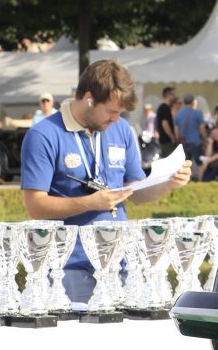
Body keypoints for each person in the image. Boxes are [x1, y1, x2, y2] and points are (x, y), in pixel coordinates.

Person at [19, 59, 192, 305]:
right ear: (89, 99)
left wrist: (167, 183)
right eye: (112, 111)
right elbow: (35, 206)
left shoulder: (122, 130)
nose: (116, 119)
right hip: (69, 267)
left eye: (120, 113)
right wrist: (90, 203)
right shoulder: (43, 135)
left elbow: (135, 192)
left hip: (121, 264)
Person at [176, 94, 206, 166]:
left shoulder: (178, 113)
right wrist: (205, 138)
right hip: (196, 141)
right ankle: (199, 174)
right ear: (192, 102)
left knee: (186, 164)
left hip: (184, 142)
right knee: (199, 163)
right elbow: (202, 128)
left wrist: (178, 139)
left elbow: (176, 129)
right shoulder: (197, 113)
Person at [154, 86, 177, 150]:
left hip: (164, 140)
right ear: (168, 95)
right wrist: (172, 137)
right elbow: (165, 124)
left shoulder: (163, 107)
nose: (174, 97)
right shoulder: (165, 108)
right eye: (173, 95)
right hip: (167, 141)